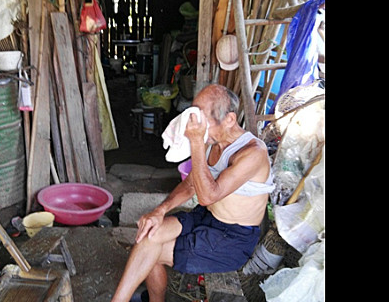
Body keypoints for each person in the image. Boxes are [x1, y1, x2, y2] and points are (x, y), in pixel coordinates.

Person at [111, 84, 275, 302]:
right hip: (205, 216)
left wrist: (197, 141)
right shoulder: (211, 141)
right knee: (148, 235)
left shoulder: (253, 153)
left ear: (229, 120)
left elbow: (209, 195)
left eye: (201, 116)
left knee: (152, 253)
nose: (194, 121)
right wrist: (160, 210)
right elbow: (190, 185)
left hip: (233, 238)